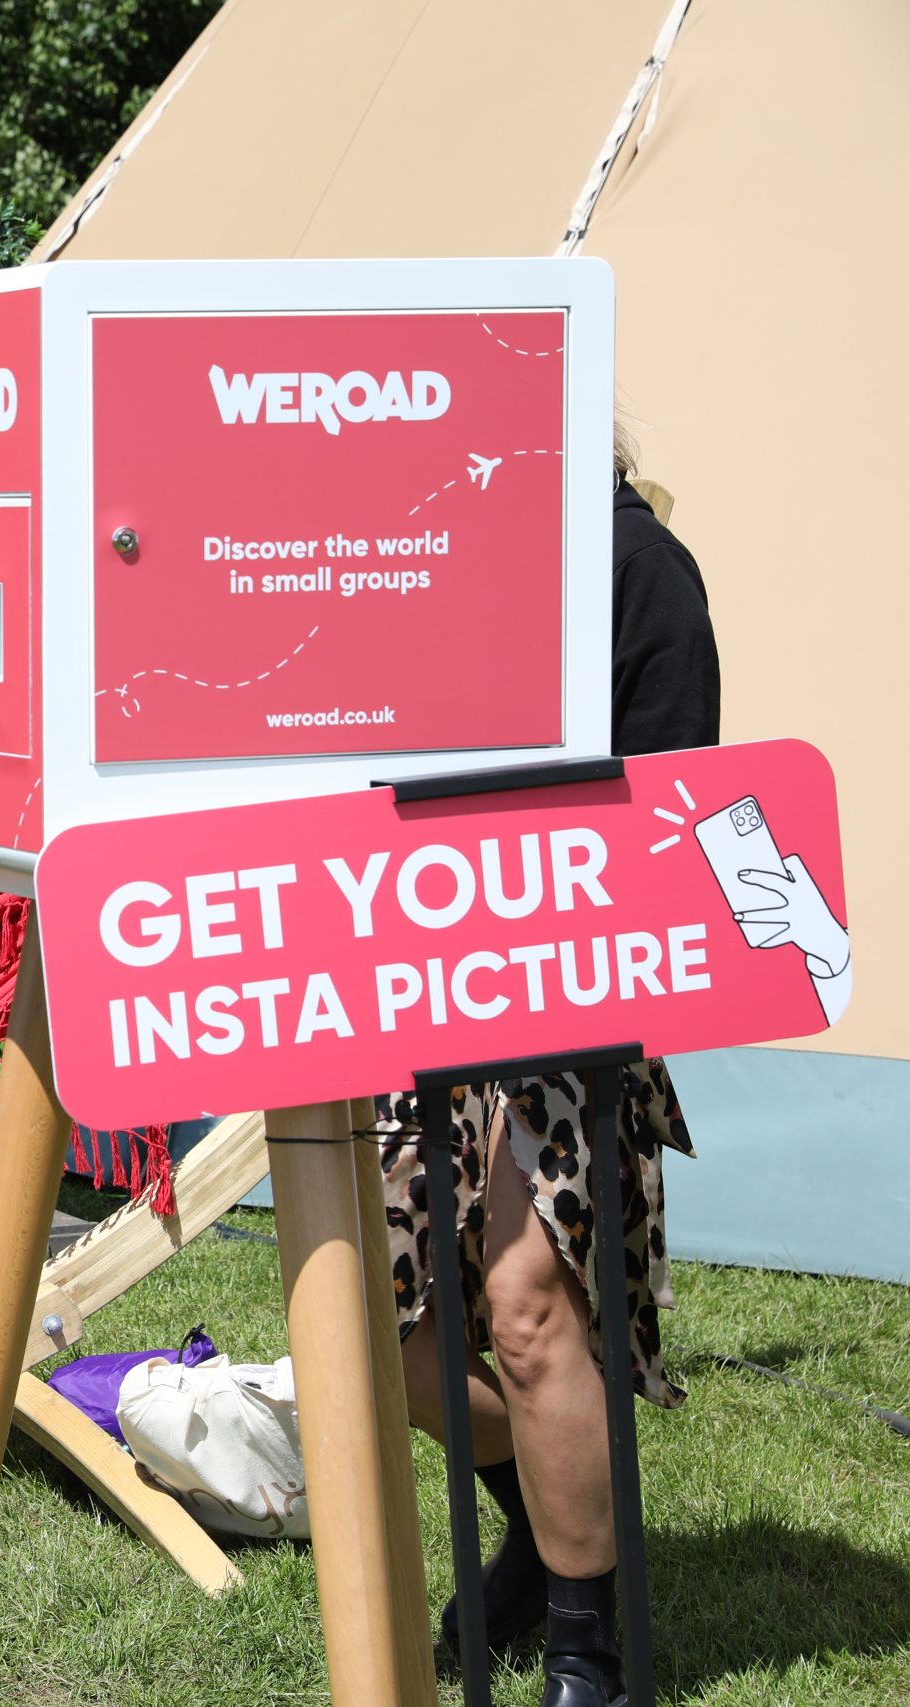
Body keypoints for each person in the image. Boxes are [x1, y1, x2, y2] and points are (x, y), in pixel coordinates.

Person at [379, 440, 720, 1707]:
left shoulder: (638, 566)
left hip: (567, 996)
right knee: (392, 1334)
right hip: (413, 985)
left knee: (528, 1312)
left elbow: (675, 800)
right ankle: (541, 1520)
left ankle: (587, 1647)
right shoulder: (416, 551)